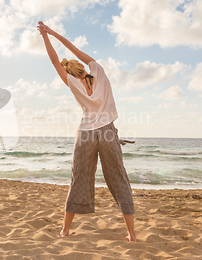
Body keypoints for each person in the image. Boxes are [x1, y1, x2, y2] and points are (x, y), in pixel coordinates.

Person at [37, 21, 136, 242]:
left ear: (68, 70)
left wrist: (44, 36)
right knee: (118, 177)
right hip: (108, 132)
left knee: (79, 178)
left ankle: (65, 230)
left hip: (85, 134)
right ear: (82, 65)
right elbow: (74, 49)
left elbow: (54, 60)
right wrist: (52, 32)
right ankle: (131, 234)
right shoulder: (99, 72)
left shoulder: (70, 81)